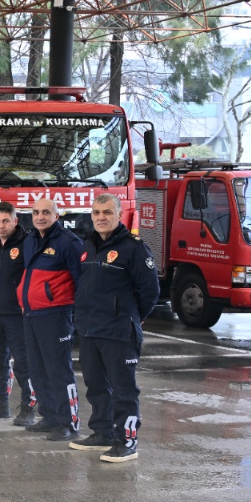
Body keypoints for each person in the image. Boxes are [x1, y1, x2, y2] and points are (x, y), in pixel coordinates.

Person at [71, 194, 159, 462]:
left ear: (119, 214)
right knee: (95, 385)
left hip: (119, 332)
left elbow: (150, 292)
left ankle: (127, 440)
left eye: (107, 212)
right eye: (96, 212)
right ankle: (103, 433)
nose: (100, 217)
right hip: (89, 330)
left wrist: (129, 315)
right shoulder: (87, 246)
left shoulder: (134, 248)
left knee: (124, 390)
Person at [19, 197, 84, 442]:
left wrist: (77, 316)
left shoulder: (69, 243)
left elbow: (81, 282)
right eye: (36, 212)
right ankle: (49, 417)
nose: (40, 216)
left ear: (57, 216)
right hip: (32, 314)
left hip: (56, 315)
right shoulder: (30, 240)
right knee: (37, 368)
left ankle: (69, 422)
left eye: (46, 212)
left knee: (59, 371)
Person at [0, 202, 37, 423]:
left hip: (17, 314)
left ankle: (28, 407)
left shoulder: (27, 243)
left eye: (6, 221)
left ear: (15, 221)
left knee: (23, 363)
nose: (1, 226)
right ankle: (0, 403)